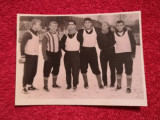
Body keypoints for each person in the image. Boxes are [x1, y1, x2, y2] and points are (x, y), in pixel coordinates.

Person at [78, 18, 104, 89]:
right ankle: (86, 83)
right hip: (83, 51)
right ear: (84, 24)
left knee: (96, 68)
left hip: (92, 50)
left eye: (89, 22)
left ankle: (100, 83)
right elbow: (72, 32)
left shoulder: (97, 30)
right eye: (86, 22)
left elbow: (106, 29)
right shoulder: (81, 31)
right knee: (83, 68)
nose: (87, 24)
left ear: (91, 23)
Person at [19, 19, 41, 94]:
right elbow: (22, 45)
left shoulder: (37, 34)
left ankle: (30, 85)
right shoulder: (27, 33)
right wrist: (22, 56)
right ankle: (24, 87)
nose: (39, 26)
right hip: (28, 55)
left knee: (33, 71)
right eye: (38, 24)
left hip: (35, 55)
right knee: (27, 71)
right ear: (33, 25)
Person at [114, 20, 136, 93]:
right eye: (118, 25)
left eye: (121, 25)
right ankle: (119, 85)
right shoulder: (113, 33)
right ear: (116, 26)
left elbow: (133, 43)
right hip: (118, 54)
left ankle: (128, 87)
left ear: (123, 25)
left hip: (128, 54)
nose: (119, 27)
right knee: (119, 71)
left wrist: (133, 53)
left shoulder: (128, 32)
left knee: (129, 71)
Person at [60, 20, 80, 91]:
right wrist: (66, 50)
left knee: (75, 70)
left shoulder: (78, 34)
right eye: (69, 24)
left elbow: (83, 43)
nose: (70, 26)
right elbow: (61, 44)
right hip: (67, 55)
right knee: (67, 70)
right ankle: (68, 84)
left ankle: (75, 85)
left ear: (75, 26)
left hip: (76, 54)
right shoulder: (65, 35)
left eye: (72, 24)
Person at [42, 21, 61, 92]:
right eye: (52, 26)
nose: (54, 27)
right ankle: (45, 86)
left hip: (56, 54)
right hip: (49, 54)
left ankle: (54, 84)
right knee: (47, 70)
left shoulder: (57, 34)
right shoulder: (46, 35)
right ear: (49, 26)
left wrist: (60, 54)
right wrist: (45, 56)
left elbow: (59, 45)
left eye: (55, 26)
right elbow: (43, 47)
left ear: (57, 27)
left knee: (56, 69)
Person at [97, 22, 116, 88]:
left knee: (112, 69)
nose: (103, 26)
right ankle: (105, 83)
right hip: (103, 53)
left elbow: (113, 42)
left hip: (112, 52)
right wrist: (107, 44)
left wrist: (107, 44)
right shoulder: (99, 34)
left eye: (105, 25)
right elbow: (100, 46)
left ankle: (112, 83)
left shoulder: (112, 33)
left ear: (108, 26)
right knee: (103, 69)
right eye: (102, 25)